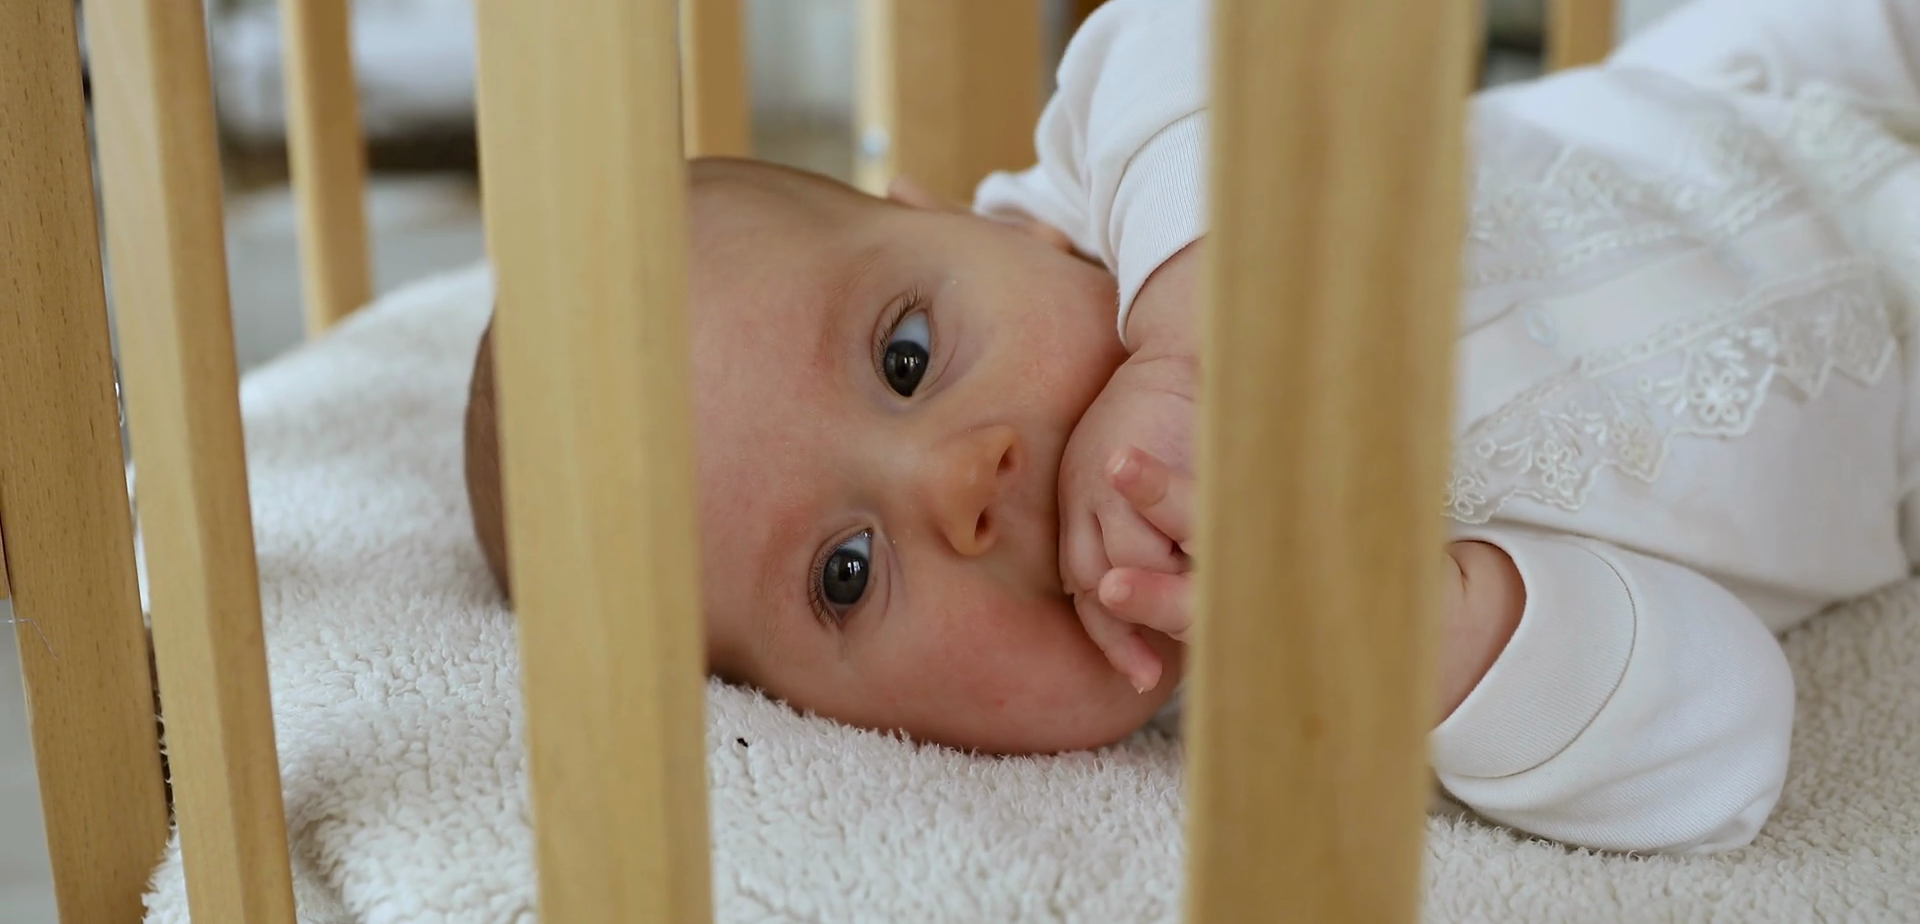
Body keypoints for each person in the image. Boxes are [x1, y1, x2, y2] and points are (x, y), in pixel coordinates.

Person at [465, 0, 1920, 854]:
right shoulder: (1291, 704)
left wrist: (1190, 335)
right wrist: (1388, 620)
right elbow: (1727, 749)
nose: (953, 483)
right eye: (844, 574)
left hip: (1755, 74)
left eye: (906, 354)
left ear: (959, 221)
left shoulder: (1115, 180)